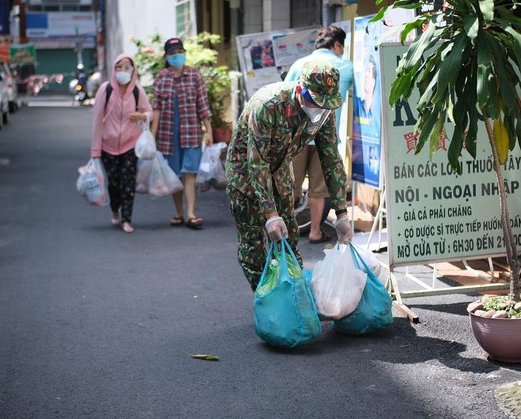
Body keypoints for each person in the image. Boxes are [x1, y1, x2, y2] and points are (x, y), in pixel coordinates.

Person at [226, 61, 353, 291]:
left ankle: (294, 296)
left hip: (281, 172)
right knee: (253, 248)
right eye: (315, 101)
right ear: (299, 90)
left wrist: (341, 212)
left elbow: (331, 158)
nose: (320, 107)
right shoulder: (268, 105)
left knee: (288, 241)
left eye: (325, 103)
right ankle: (268, 301)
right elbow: (257, 162)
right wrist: (270, 214)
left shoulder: (324, 112)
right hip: (245, 174)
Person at [284, 25, 354, 244]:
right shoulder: (346, 67)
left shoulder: (298, 64)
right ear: (337, 45)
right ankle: (315, 231)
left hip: (296, 134)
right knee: (319, 188)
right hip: (325, 135)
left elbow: (286, 95)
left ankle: (284, 232)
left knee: (290, 185)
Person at [150, 37, 213, 230]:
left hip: (191, 132)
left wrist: (209, 130)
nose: (177, 56)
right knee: (175, 176)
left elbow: (203, 105)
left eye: (180, 52)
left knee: (190, 174)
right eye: (173, 53)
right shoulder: (162, 77)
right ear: (166, 57)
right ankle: (179, 212)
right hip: (168, 135)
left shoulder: (194, 76)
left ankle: (191, 213)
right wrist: (152, 136)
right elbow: (157, 109)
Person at [91, 54, 152, 233]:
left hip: (130, 145)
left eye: (127, 67)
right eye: (119, 67)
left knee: (128, 182)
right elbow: (96, 120)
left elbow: (149, 111)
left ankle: (127, 219)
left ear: (133, 71)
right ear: (114, 69)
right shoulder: (105, 89)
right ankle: (115, 210)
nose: (123, 71)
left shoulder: (137, 91)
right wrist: (95, 150)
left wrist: (142, 116)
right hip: (107, 146)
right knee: (114, 183)